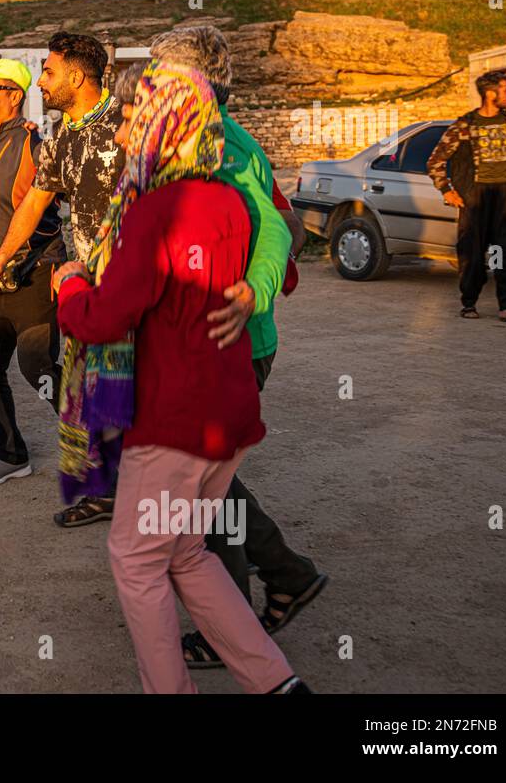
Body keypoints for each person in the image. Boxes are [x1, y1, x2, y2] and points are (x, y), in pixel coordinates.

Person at [55, 59, 309, 694]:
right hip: (229, 411)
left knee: (136, 560)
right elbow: (276, 229)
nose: (119, 136)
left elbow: (108, 316)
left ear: (165, 127)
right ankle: (276, 682)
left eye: (132, 122)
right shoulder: (226, 201)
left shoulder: (154, 211)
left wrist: (69, 288)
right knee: (187, 553)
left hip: (172, 420)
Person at [143, 26, 326, 669]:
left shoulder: (224, 144)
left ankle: (238, 622)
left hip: (230, 341)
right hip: (209, 339)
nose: (149, 88)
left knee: (200, 492)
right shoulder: (181, 139)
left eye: (160, 77)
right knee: (209, 483)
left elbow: (281, 226)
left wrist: (254, 288)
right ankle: (286, 576)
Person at [0, 33, 125, 515]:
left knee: (136, 395)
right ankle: (104, 491)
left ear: (77, 77)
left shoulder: (126, 125)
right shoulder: (62, 137)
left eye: (50, 72)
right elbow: (34, 203)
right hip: (85, 291)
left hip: (132, 289)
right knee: (83, 394)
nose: (43, 81)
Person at [0, 58, 64, 487]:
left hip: (33, 270)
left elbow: (62, 197)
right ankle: (11, 454)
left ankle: (101, 441)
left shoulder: (34, 144)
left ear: (14, 96)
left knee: (36, 365)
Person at [427, 69, 506, 325]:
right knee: (473, 254)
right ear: (490, 93)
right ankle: (469, 302)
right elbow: (435, 160)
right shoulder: (464, 126)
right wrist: (447, 191)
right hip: (477, 197)